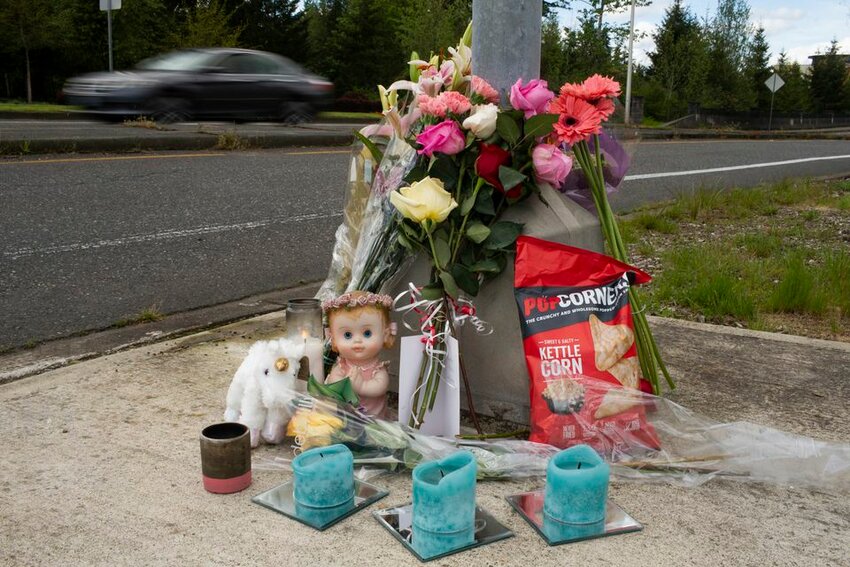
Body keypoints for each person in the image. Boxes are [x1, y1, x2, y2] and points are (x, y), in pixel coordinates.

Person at [322, 291, 395, 418]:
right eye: (347, 335)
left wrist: (361, 386)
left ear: (385, 335)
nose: (357, 341)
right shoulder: (342, 366)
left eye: (367, 333)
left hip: (374, 421)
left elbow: (380, 387)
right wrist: (340, 383)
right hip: (347, 419)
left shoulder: (377, 369)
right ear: (333, 339)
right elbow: (334, 381)